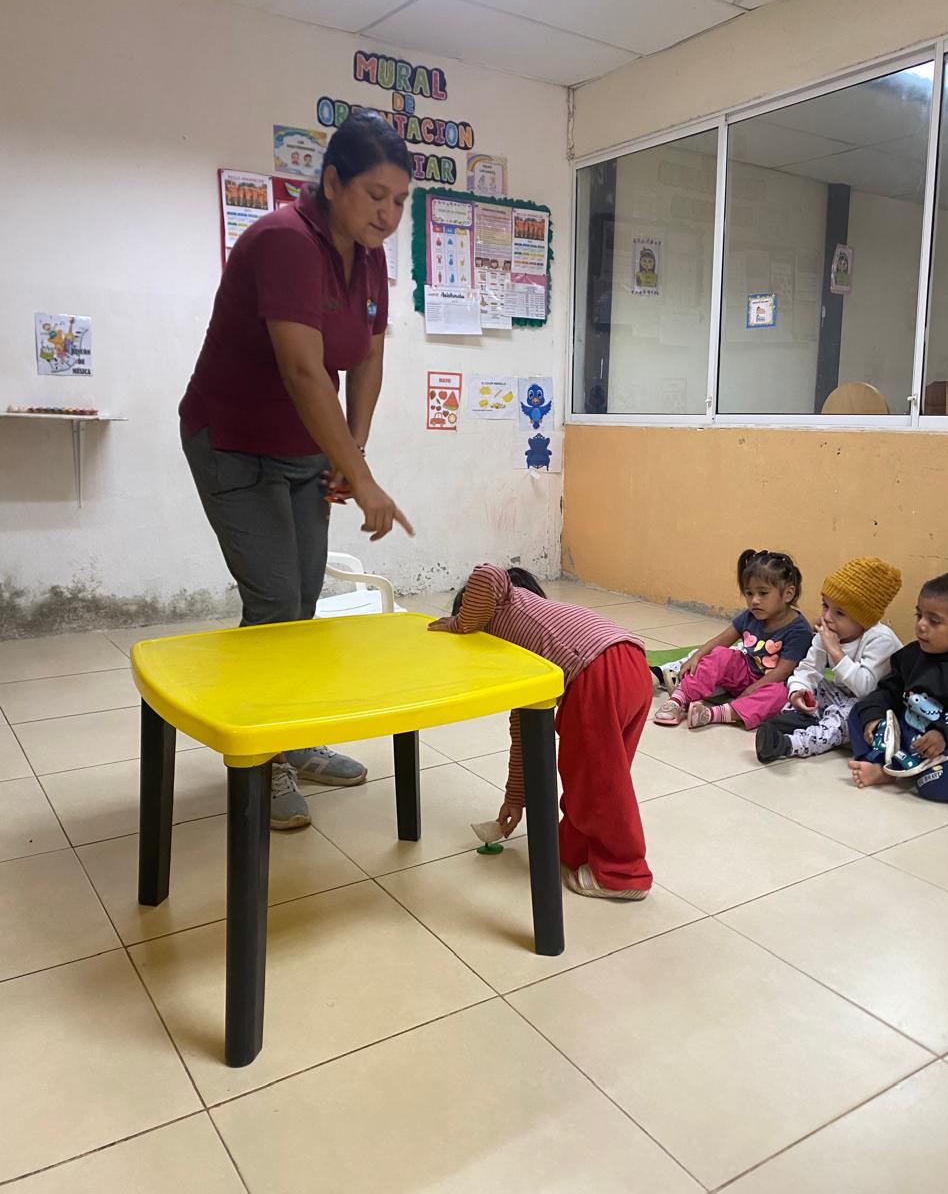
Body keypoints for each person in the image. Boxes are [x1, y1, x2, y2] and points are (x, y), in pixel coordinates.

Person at [179, 110, 414, 829]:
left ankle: (294, 736)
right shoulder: (284, 240)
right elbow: (303, 370)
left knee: (304, 602)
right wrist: (362, 482)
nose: (388, 214)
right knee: (275, 602)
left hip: (305, 446)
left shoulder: (368, 257)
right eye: (376, 195)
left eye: (400, 201)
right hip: (233, 441)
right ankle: (262, 761)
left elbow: (367, 355)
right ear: (332, 181)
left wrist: (353, 455)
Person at [428, 564, 653, 901]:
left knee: (597, 785)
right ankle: (576, 848)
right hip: (632, 664)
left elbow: (488, 574)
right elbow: (525, 735)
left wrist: (460, 623)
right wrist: (514, 798)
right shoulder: (532, 648)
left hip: (598, 673)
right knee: (596, 777)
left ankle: (624, 874)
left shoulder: (503, 603)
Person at [755, 557, 902, 763]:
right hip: (840, 693)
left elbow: (866, 688)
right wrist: (799, 691)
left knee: (845, 716)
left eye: (840, 613)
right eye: (825, 605)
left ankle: (787, 744)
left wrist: (835, 651)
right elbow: (808, 669)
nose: (827, 617)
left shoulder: (880, 639)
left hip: (871, 704)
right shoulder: (828, 631)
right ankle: (798, 717)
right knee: (808, 687)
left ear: (864, 620)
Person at [655, 549, 812, 730]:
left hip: (769, 684)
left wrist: (752, 690)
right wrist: (696, 657)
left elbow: (782, 673)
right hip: (744, 675)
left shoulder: (799, 630)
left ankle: (713, 714)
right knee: (721, 654)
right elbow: (722, 639)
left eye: (763, 593)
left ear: (788, 594)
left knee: (781, 694)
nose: (754, 601)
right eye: (749, 593)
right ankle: (679, 698)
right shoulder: (751, 615)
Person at [849, 572, 948, 800]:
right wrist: (874, 717)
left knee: (934, 785)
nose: (921, 625)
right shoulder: (910, 655)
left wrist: (944, 735)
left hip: (945, 746)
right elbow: (888, 690)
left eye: (934, 621)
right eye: (919, 615)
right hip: (905, 734)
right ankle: (880, 764)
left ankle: (915, 771)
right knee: (859, 712)